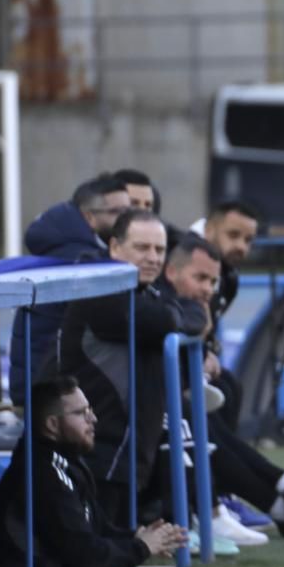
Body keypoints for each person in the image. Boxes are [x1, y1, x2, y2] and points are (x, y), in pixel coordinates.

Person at [158, 234, 284, 545]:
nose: (208, 288)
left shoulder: (215, 283)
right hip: (144, 410)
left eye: (212, 281)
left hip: (167, 397)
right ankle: (239, 505)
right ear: (171, 271)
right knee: (195, 419)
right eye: (201, 279)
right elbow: (188, 324)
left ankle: (280, 499)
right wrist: (200, 332)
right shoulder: (156, 293)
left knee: (222, 395)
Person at [0, 376, 187, 567]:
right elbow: (85, 555)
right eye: (81, 413)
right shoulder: (42, 474)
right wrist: (141, 548)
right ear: (52, 424)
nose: (93, 419)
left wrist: (138, 537)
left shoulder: (66, 463)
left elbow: (98, 530)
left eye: (90, 410)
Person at [60, 208, 202, 521]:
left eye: (160, 250)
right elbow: (166, 319)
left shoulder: (142, 291)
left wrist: (177, 314)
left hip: (125, 449)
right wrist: (176, 314)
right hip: (98, 451)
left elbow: (193, 314)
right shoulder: (101, 291)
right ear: (114, 247)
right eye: (142, 248)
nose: (153, 258)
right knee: (100, 542)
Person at [8, 174, 132, 403]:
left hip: (44, 388)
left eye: (129, 210)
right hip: (49, 395)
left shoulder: (70, 250)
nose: (127, 219)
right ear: (89, 216)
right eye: (118, 212)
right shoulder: (81, 262)